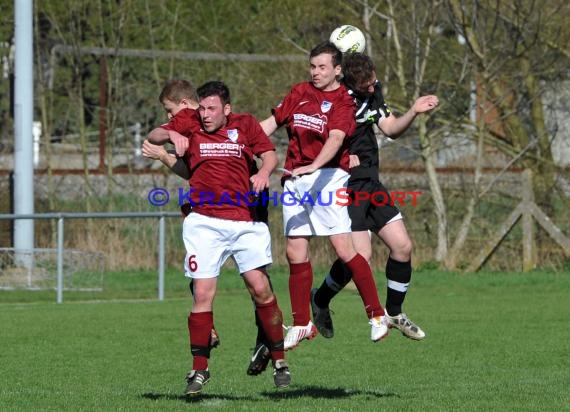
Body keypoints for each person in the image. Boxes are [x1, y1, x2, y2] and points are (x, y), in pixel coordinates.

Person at [146, 80, 290, 395]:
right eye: (202, 107)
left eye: (212, 108)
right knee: (202, 293)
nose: (206, 114)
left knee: (261, 289)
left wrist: (264, 173)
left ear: (227, 109)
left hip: (244, 221)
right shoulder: (189, 120)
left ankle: (279, 361)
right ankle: (199, 371)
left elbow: (270, 155)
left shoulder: (246, 124)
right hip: (204, 222)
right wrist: (171, 133)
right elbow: (153, 136)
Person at [260, 41, 390, 350]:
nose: (315, 72)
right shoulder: (299, 92)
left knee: (344, 249)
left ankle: (376, 314)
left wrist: (314, 166)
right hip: (295, 178)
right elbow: (270, 124)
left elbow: (335, 139)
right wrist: (241, 139)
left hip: (329, 177)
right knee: (294, 252)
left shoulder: (344, 102)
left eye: (322, 67)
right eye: (312, 66)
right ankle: (303, 323)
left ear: (337, 70)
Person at [311, 52, 439, 341]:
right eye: (366, 86)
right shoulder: (336, 101)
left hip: (371, 183)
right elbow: (322, 140)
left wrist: (414, 111)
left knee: (403, 246)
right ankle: (320, 301)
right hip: (347, 187)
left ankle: (395, 312)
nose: (373, 88)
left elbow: (391, 128)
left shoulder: (372, 92)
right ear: (351, 84)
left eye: (373, 83)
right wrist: (343, 159)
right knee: (360, 257)